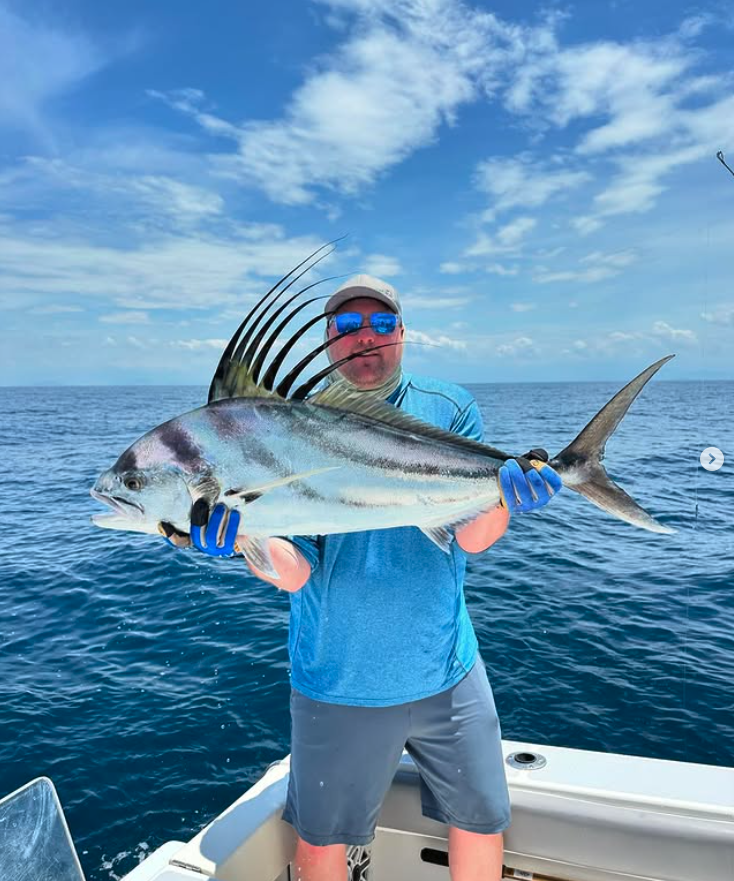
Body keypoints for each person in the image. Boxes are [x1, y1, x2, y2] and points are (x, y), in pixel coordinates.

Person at [170, 275, 562, 881]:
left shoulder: (449, 408)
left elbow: (470, 538)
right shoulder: (287, 426)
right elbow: (297, 573)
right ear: (329, 340)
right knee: (322, 841)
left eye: (381, 324)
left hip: (447, 669)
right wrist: (244, 538)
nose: (365, 338)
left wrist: (507, 498)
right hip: (338, 679)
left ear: (402, 333)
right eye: (347, 326)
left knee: (480, 822)